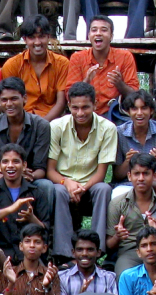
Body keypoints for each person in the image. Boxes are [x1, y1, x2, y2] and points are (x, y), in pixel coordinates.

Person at [48, 82, 115, 239]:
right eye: (75, 108)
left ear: (95, 104)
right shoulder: (57, 126)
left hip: (90, 186)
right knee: (58, 191)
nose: (80, 113)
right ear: (69, 105)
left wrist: (83, 188)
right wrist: (67, 182)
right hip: (63, 183)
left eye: (85, 107)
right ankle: (63, 250)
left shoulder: (107, 128)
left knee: (104, 189)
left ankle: (97, 245)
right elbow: (50, 170)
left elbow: (101, 173)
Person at [0, 143, 57, 258]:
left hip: (28, 256)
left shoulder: (37, 192)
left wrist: (32, 219)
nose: (10, 166)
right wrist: (10, 209)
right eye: (5, 162)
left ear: (24, 165)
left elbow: (45, 230)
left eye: (16, 161)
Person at [107, 156, 156, 276]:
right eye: (136, 174)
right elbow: (109, 244)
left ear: (154, 176)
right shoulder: (117, 204)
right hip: (129, 253)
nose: (141, 178)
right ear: (129, 176)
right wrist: (117, 236)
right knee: (124, 275)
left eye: (146, 173)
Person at [0, 78, 51, 183]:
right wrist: (10, 178)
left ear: (24, 98)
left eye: (14, 99)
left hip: (29, 180)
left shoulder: (41, 125)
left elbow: (41, 169)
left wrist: (26, 178)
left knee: (46, 185)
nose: (9, 104)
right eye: (4, 100)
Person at [64, 17, 138, 117]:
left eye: (104, 30)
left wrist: (119, 84)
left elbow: (135, 96)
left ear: (111, 36)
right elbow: (69, 96)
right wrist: (86, 82)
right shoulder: (77, 58)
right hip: (85, 114)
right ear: (89, 35)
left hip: (114, 114)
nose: (98, 33)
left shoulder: (125, 57)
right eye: (94, 30)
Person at [0, 16, 69, 120]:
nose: (37, 42)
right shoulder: (12, 65)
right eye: (32, 37)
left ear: (48, 37)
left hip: (52, 121)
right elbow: (9, 101)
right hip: (20, 120)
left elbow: (61, 103)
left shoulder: (62, 63)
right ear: (25, 39)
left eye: (41, 36)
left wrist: (42, 124)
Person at [0, 225, 59, 295]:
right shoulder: (8, 273)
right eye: (27, 241)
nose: (32, 245)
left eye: (37, 242)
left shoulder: (50, 274)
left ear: (44, 248)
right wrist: (11, 284)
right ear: (21, 246)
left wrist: (47, 287)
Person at [114, 90, 156, 183]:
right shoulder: (119, 132)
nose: (139, 113)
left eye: (144, 108)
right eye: (134, 109)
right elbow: (117, 176)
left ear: (151, 110)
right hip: (129, 185)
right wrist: (127, 161)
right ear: (128, 112)